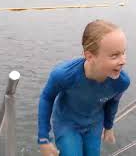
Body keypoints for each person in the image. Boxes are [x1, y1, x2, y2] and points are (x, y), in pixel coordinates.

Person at [37, 19, 130, 156]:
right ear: (90, 56)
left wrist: (108, 127)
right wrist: (43, 138)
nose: (123, 61)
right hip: (67, 124)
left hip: (94, 124)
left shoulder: (121, 82)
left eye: (123, 53)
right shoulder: (64, 75)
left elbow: (112, 102)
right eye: (114, 55)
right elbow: (47, 98)